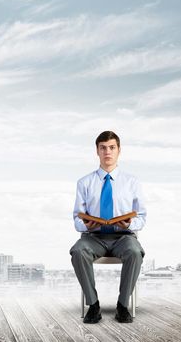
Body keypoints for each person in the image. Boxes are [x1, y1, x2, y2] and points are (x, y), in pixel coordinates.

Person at [70, 131, 146, 324]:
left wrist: (129, 223)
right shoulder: (84, 182)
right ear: (97, 151)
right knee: (78, 251)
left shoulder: (132, 182)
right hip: (93, 237)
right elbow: (77, 218)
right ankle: (93, 306)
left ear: (119, 150)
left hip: (123, 237)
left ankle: (122, 306)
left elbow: (142, 217)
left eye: (112, 147)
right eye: (103, 148)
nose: (107, 152)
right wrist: (85, 223)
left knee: (135, 252)